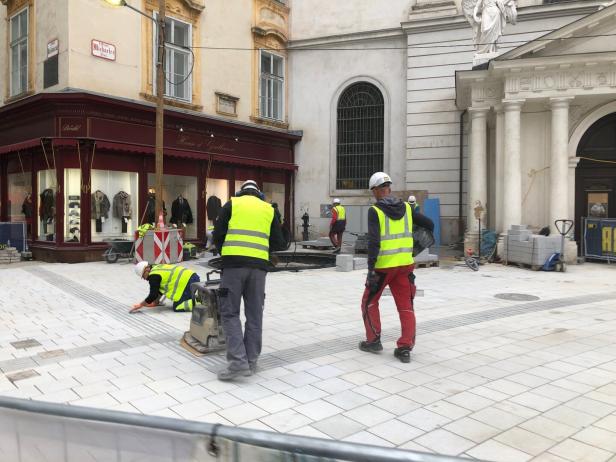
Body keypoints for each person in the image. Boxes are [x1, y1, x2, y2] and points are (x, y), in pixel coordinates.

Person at [212, 179, 286, 380]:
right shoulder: (269, 209)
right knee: (254, 315)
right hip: (259, 270)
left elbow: (217, 236)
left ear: (241, 192)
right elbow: (280, 242)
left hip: (233, 267)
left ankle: (237, 363)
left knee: (230, 313)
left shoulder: (232, 204)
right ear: (258, 193)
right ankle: (251, 362)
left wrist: (225, 253)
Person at [359, 172, 434, 363]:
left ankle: (373, 340)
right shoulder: (407, 209)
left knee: (369, 302)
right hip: (405, 267)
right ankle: (405, 347)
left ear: (376, 190)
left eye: (375, 190)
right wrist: (416, 246)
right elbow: (429, 224)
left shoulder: (375, 211)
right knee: (406, 307)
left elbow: (374, 243)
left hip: (384, 267)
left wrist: (370, 270)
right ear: (389, 188)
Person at [130, 261, 200, 313]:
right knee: (183, 301)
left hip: (188, 282)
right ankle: (198, 298)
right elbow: (159, 289)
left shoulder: (153, 276)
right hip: (193, 277)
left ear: (147, 269)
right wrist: (155, 302)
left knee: (178, 307)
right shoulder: (157, 268)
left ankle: (202, 302)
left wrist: (141, 305)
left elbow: (153, 295)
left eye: (143, 276)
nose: (145, 279)